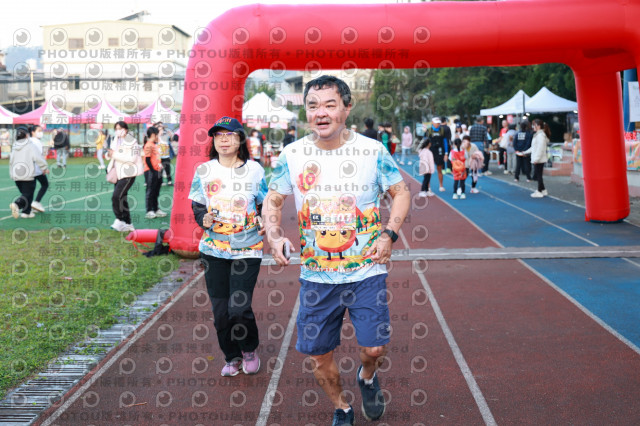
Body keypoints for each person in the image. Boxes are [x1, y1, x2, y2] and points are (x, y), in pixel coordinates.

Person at [263, 75, 410, 426]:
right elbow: (274, 198)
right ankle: (342, 407)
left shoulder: (372, 151)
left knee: (374, 349)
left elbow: (401, 192)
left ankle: (367, 376)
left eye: (330, 104)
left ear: (346, 108)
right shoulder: (293, 154)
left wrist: (389, 233)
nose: (321, 113)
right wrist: (274, 235)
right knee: (318, 355)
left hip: (366, 271)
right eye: (313, 106)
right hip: (317, 277)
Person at [189, 116, 267, 377]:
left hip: (248, 247)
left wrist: (262, 217)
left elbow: (265, 202)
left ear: (240, 139)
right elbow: (198, 204)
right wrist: (203, 218)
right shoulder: (204, 171)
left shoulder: (255, 170)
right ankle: (232, 356)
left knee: (239, 308)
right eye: (218, 135)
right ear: (213, 140)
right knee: (221, 312)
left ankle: (249, 349)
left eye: (230, 135)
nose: (223, 140)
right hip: (213, 249)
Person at [108, 121, 142, 232]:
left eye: (120, 128)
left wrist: (114, 154)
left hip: (128, 173)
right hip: (118, 173)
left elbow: (131, 159)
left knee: (116, 196)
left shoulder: (132, 141)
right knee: (122, 198)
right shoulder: (115, 140)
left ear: (126, 129)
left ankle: (120, 220)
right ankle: (128, 223)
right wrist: (109, 154)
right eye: (116, 129)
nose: (118, 131)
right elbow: (112, 155)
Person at [9, 127, 49, 219]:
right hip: (27, 174)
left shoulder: (14, 146)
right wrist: (44, 167)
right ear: (27, 135)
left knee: (26, 193)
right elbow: (38, 157)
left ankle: (26, 212)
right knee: (28, 194)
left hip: (16, 175)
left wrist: (12, 174)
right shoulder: (30, 145)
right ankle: (17, 204)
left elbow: (11, 161)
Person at [143, 126, 167, 219]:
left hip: (157, 171)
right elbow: (147, 159)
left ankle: (156, 209)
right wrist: (153, 171)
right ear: (153, 135)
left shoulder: (154, 145)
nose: (158, 136)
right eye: (157, 134)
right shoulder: (149, 145)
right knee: (150, 191)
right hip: (151, 171)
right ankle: (149, 210)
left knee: (156, 191)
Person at [523, 118, 550, 198]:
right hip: (538, 158)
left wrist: (536, 159)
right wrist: (525, 152)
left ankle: (539, 191)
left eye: (534, 125)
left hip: (539, 159)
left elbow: (540, 148)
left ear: (538, 126)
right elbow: (534, 147)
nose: (532, 127)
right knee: (539, 175)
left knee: (538, 176)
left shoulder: (540, 135)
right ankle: (543, 190)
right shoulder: (538, 135)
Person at [28, 125, 49, 213]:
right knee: (45, 184)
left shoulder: (28, 140)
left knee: (30, 189)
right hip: (37, 169)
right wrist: (44, 168)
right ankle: (36, 202)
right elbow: (40, 157)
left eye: (41, 131)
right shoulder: (37, 142)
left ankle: (30, 207)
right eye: (39, 131)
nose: (41, 132)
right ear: (33, 132)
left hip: (28, 169)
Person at [424, 117, 447, 191]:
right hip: (430, 151)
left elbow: (445, 142)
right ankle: (428, 187)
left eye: (439, 123)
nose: (438, 124)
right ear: (432, 122)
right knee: (429, 170)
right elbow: (425, 142)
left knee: (439, 169)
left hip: (439, 151)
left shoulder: (442, 130)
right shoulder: (428, 131)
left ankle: (441, 186)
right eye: (436, 123)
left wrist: (446, 153)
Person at [154, 122, 175, 186]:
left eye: (161, 126)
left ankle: (169, 181)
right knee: (160, 169)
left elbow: (171, 139)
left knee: (167, 169)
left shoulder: (166, 135)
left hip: (166, 156)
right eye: (159, 126)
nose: (161, 127)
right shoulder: (156, 136)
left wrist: (170, 135)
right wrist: (159, 133)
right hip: (159, 156)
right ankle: (160, 182)